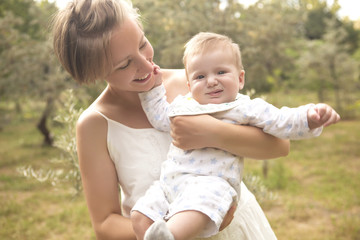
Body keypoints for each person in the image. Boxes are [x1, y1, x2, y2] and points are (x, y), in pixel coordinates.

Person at [52, 0, 293, 239]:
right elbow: (105, 224)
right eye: (125, 64)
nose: (146, 64)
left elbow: (280, 145)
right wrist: (176, 228)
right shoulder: (95, 124)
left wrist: (212, 133)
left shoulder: (195, 84)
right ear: (94, 73)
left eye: (143, 43)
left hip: (239, 230)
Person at [131, 32, 341, 240]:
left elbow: (281, 120)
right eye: (200, 77)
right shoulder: (184, 105)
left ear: (240, 79)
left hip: (211, 184)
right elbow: (160, 117)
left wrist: (311, 116)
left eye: (221, 72)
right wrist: (154, 87)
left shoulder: (245, 107)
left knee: (194, 211)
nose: (211, 81)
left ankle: (169, 237)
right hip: (170, 183)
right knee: (139, 216)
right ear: (189, 86)